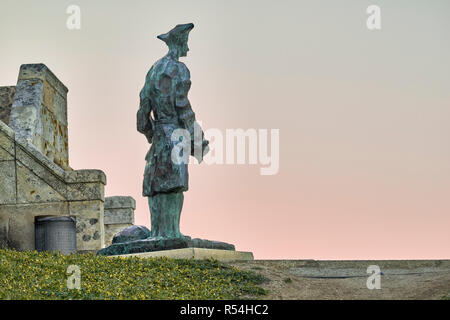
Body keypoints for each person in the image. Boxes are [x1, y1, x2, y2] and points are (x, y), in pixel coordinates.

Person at [137, 23, 209, 239]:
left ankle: (159, 233)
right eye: (186, 42)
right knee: (174, 186)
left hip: (159, 134)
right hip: (176, 133)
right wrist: (198, 140)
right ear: (180, 42)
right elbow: (183, 107)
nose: (188, 48)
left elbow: (142, 113)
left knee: (157, 185)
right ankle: (171, 234)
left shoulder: (153, 69)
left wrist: (152, 134)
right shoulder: (179, 70)